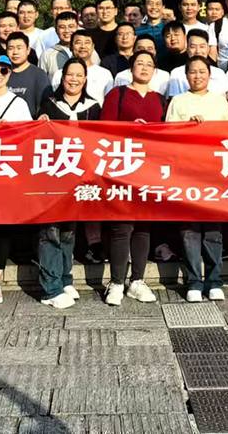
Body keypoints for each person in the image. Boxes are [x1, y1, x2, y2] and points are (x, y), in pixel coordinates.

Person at [101, 50, 167, 306]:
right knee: (122, 225)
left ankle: (137, 280)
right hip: (122, 166)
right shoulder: (117, 94)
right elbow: (103, 130)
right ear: (131, 68)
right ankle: (117, 281)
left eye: (149, 64)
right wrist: (128, 129)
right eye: (140, 63)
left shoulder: (160, 98)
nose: (144, 67)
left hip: (149, 168)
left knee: (143, 225)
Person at [165, 55, 228, 301]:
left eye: (202, 71)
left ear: (209, 75)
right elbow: (167, 135)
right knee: (189, 229)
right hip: (186, 173)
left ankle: (214, 280)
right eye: (193, 72)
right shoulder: (178, 101)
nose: (197, 76)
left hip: (213, 173)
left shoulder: (219, 101)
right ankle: (193, 281)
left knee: (213, 229)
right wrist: (188, 126)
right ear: (186, 76)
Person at [36, 58, 101, 308]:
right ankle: (50, 289)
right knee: (50, 231)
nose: (74, 79)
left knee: (68, 231)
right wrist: (39, 123)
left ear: (85, 79)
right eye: (69, 75)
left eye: (79, 75)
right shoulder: (49, 105)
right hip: (51, 177)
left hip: (79, 178)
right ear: (62, 77)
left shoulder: (93, 107)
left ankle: (65, 279)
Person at [38, 11, 81, 77]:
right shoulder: (47, 55)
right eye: (62, 27)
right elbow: (41, 79)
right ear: (56, 30)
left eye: (71, 26)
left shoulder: (87, 51)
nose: (66, 30)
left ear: (77, 27)